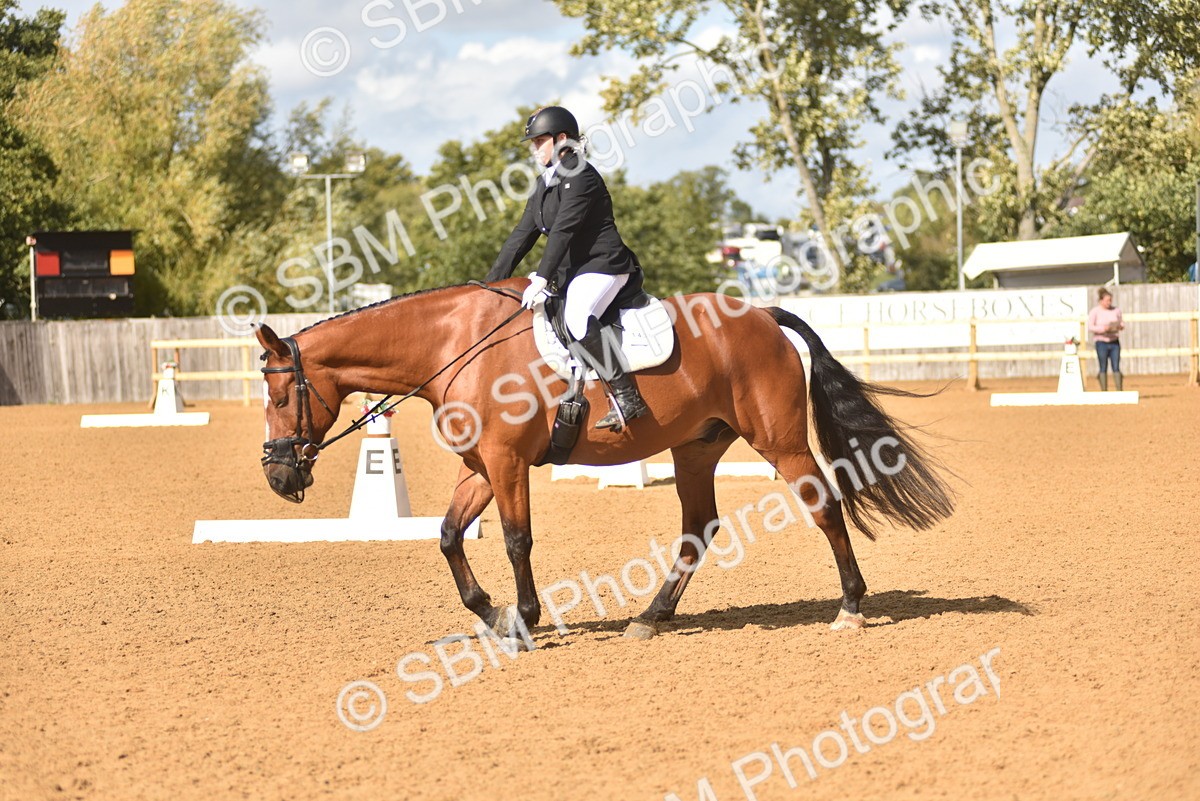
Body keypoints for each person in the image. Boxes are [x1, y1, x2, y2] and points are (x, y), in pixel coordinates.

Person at [485, 105, 648, 430]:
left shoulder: (581, 175)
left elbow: (564, 230)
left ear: (561, 140)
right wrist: (488, 285)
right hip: (574, 273)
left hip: (604, 266)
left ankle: (629, 398)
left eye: (538, 141)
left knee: (576, 316)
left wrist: (542, 278)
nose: (534, 150)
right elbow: (521, 236)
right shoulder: (544, 183)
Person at [1087, 287, 1125, 390]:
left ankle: (1119, 390)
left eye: (1110, 300)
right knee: (1103, 366)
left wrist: (1119, 326)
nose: (1109, 302)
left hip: (1114, 341)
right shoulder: (1095, 311)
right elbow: (1090, 326)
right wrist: (1103, 328)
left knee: (1116, 366)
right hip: (1101, 342)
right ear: (1101, 300)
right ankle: (1104, 390)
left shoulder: (1116, 310)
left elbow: (1121, 322)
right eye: (1107, 300)